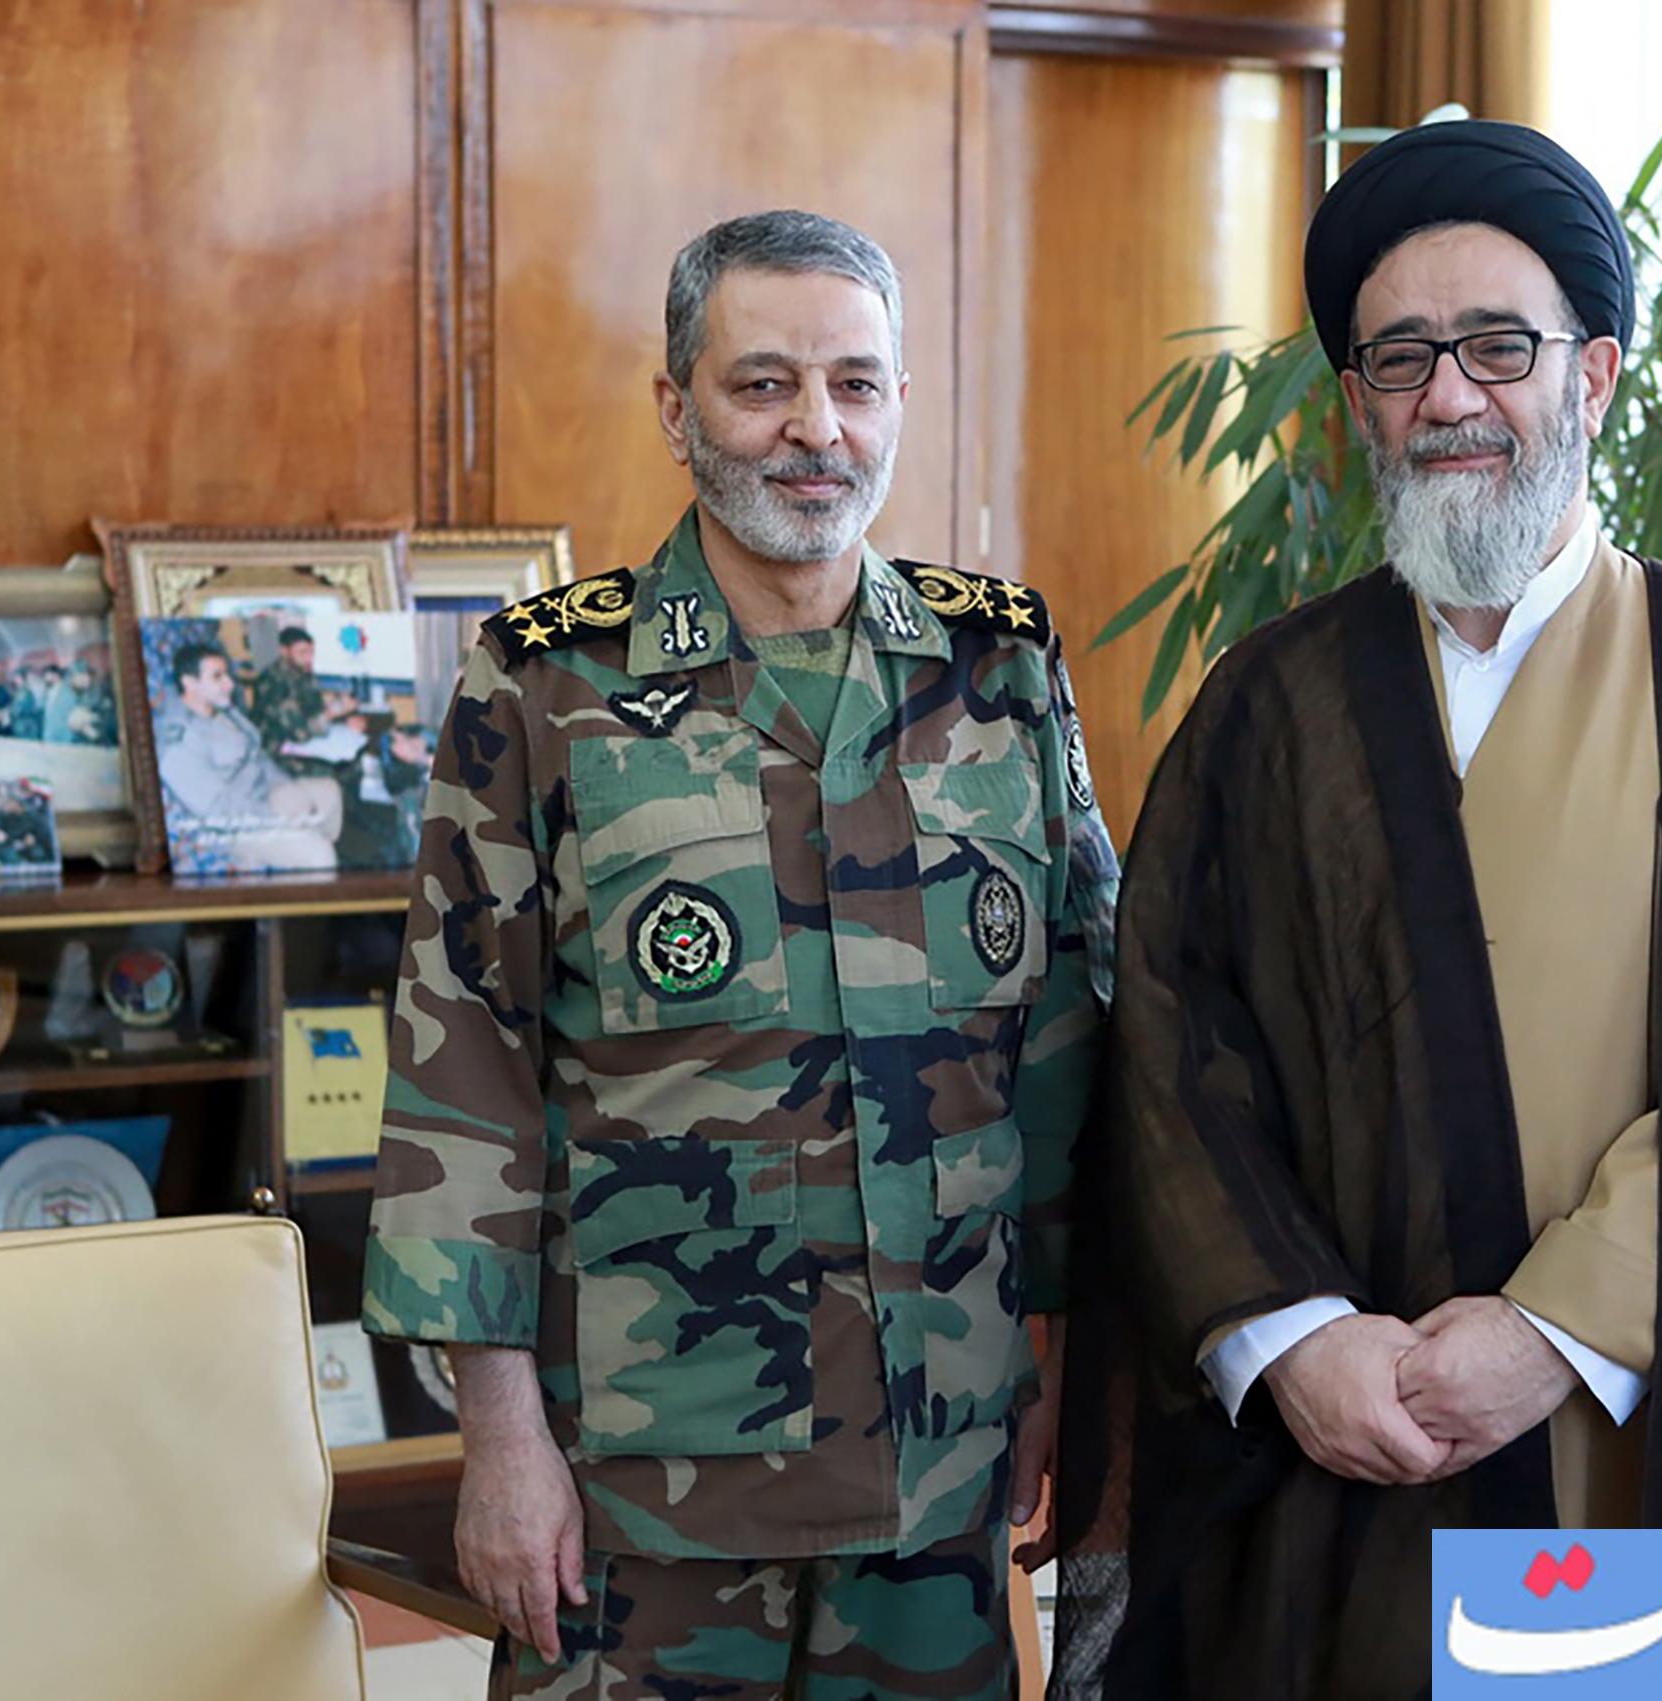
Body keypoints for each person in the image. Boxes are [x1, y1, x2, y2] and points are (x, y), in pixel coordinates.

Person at [1048, 120, 1662, 1699]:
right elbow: (1169, 1056)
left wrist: (1549, 1332)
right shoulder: (1267, 705)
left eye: (1498, 348)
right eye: (1400, 359)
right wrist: (1291, 1337)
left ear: (1594, 376)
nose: (1449, 396)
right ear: (1357, 402)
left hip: (1638, 1445)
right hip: (1331, 1459)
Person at [360, 209, 1118, 1701]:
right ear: (677, 408)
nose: (814, 430)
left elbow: (1065, 1048)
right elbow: (465, 1070)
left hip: (938, 1455)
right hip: (645, 1478)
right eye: (763, 384)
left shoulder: (1000, 668)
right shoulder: (545, 683)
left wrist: (1062, 1364)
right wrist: (498, 1444)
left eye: (854, 384)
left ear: (898, 403)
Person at [152, 642, 342, 871]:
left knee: (330, 792)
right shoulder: (177, 744)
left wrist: (286, 787)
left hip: (261, 795)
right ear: (190, 683)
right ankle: (313, 862)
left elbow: (258, 757)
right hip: (235, 828)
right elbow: (219, 811)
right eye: (217, 677)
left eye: (227, 675)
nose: (230, 684)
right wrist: (276, 816)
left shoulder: (225, 712)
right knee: (320, 853)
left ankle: (306, 857)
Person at [249, 625, 359, 771]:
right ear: (284, 651)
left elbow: (314, 712)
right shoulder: (274, 683)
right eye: (302, 652)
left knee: (356, 760)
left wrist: (344, 719)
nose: (309, 658)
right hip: (277, 754)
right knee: (341, 771)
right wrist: (333, 713)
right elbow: (299, 734)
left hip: (303, 745)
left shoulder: (302, 673)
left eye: (311, 652)